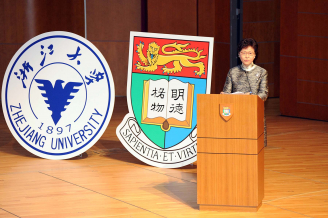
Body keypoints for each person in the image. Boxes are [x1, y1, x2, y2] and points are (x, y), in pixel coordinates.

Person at [221, 38, 268, 147]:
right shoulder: (233, 71)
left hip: (254, 112)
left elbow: (264, 94)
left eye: (250, 53)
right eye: (244, 53)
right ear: (239, 54)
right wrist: (224, 95)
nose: (247, 56)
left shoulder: (262, 72)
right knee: (237, 144)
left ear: (255, 55)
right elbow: (226, 92)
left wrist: (250, 96)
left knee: (255, 146)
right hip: (236, 112)